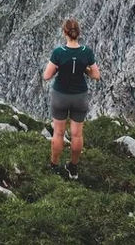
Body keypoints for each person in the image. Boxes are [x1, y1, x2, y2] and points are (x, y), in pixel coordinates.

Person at [42, 17, 100, 180]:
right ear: (78, 33)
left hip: (60, 95)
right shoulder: (86, 52)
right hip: (79, 96)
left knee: (58, 133)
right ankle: (73, 167)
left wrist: (57, 69)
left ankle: (54, 165)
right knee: (77, 135)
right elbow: (96, 75)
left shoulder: (59, 52)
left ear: (64, 33)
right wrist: (85, 70)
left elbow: (46, 76)